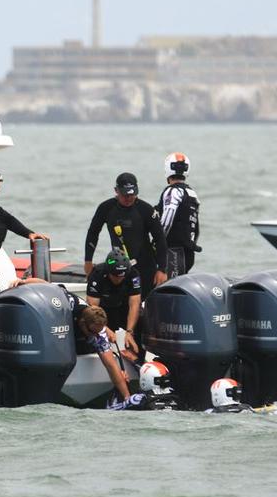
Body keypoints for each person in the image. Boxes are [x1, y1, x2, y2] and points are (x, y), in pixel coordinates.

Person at [84, 172, 168, 300]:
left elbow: (160, 239)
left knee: (143, 304)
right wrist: (88, 261)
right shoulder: (106, 208)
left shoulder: (146, 210)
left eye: (132, 194)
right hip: (118, 265)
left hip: (145, 266)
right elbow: (93, 233)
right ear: (116, 191)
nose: (129, 198)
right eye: (125, 194)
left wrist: (162, 269)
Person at [86, 249, 142, 362]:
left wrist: (129, 332)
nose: (119, 279)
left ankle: (138, 358)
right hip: (103, 312)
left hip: (123, 308)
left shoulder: (133, 274)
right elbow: (92, 310)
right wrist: (106, 330)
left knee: (142, 316)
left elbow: (134, 305)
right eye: (115, 276)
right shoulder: (97, 274)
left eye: (122, 276)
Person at [156, 152, 202, 277]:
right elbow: (196, 226)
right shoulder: (191, 193)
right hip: (188, 253)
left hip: (173, 253)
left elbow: (167, 219)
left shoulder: (173, 191)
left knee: (168, 287)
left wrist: (157, 243)